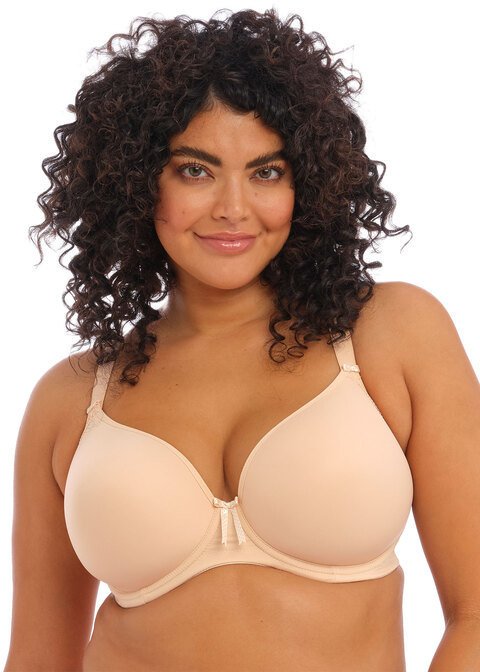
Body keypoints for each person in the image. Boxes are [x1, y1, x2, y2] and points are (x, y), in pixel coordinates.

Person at [5, 8, 480, 672]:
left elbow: (474, 616)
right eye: (195, 171)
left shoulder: (391, 334)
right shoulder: (70, 400)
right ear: (137, 181)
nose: (233, 208)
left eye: (267, 172)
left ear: (306, 181)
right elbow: (37, 660)